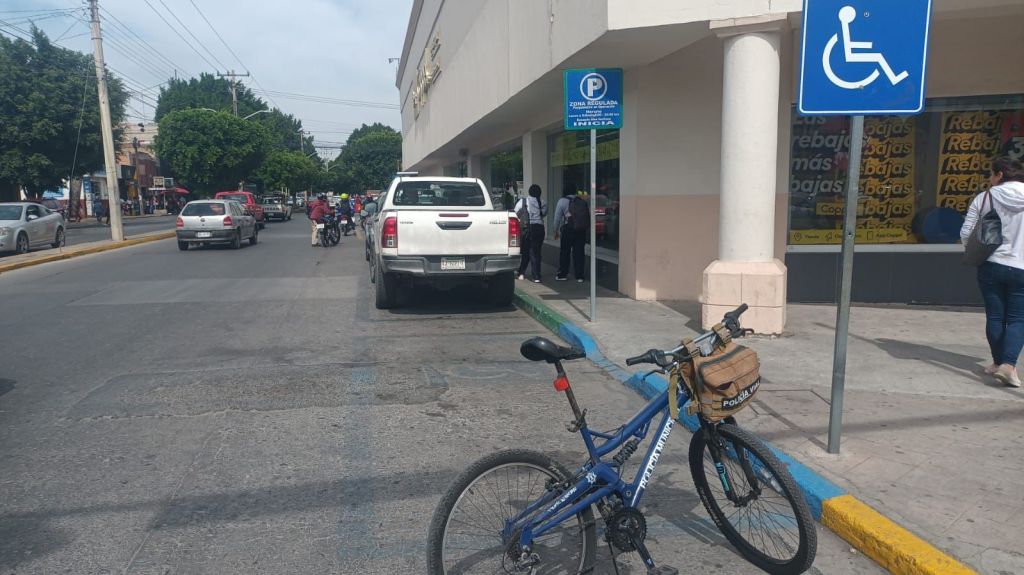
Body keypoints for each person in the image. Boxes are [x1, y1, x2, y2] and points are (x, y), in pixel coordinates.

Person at [961, 156, 1024, 387]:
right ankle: (1008, 365)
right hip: (1022, 267)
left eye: (991, 174)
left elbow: (966, 232)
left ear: (1000, 174)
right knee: (1018, 318)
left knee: (996, 316)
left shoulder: (985, 197)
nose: (990, 178)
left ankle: (999, 363)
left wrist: (974, 252)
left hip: (991, 264)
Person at [553, 185, 587, 282]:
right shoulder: (581, 201)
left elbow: (557, 218)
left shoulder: (562, 201)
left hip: (568, 229)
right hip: (580, 230)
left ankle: (563, 274)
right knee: (579, 252)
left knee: (565, 252)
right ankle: (579, 276)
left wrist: (555, 230)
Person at [515, 185, 547, 283]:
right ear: (539, 193)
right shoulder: (543, 202)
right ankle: (536, 276)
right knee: (536, 252)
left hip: (527, 228)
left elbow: (516, 212)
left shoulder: (523, 201)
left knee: (526, 251)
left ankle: (522, 273)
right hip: (539, 228)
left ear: (529, 192)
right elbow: (544, 214)